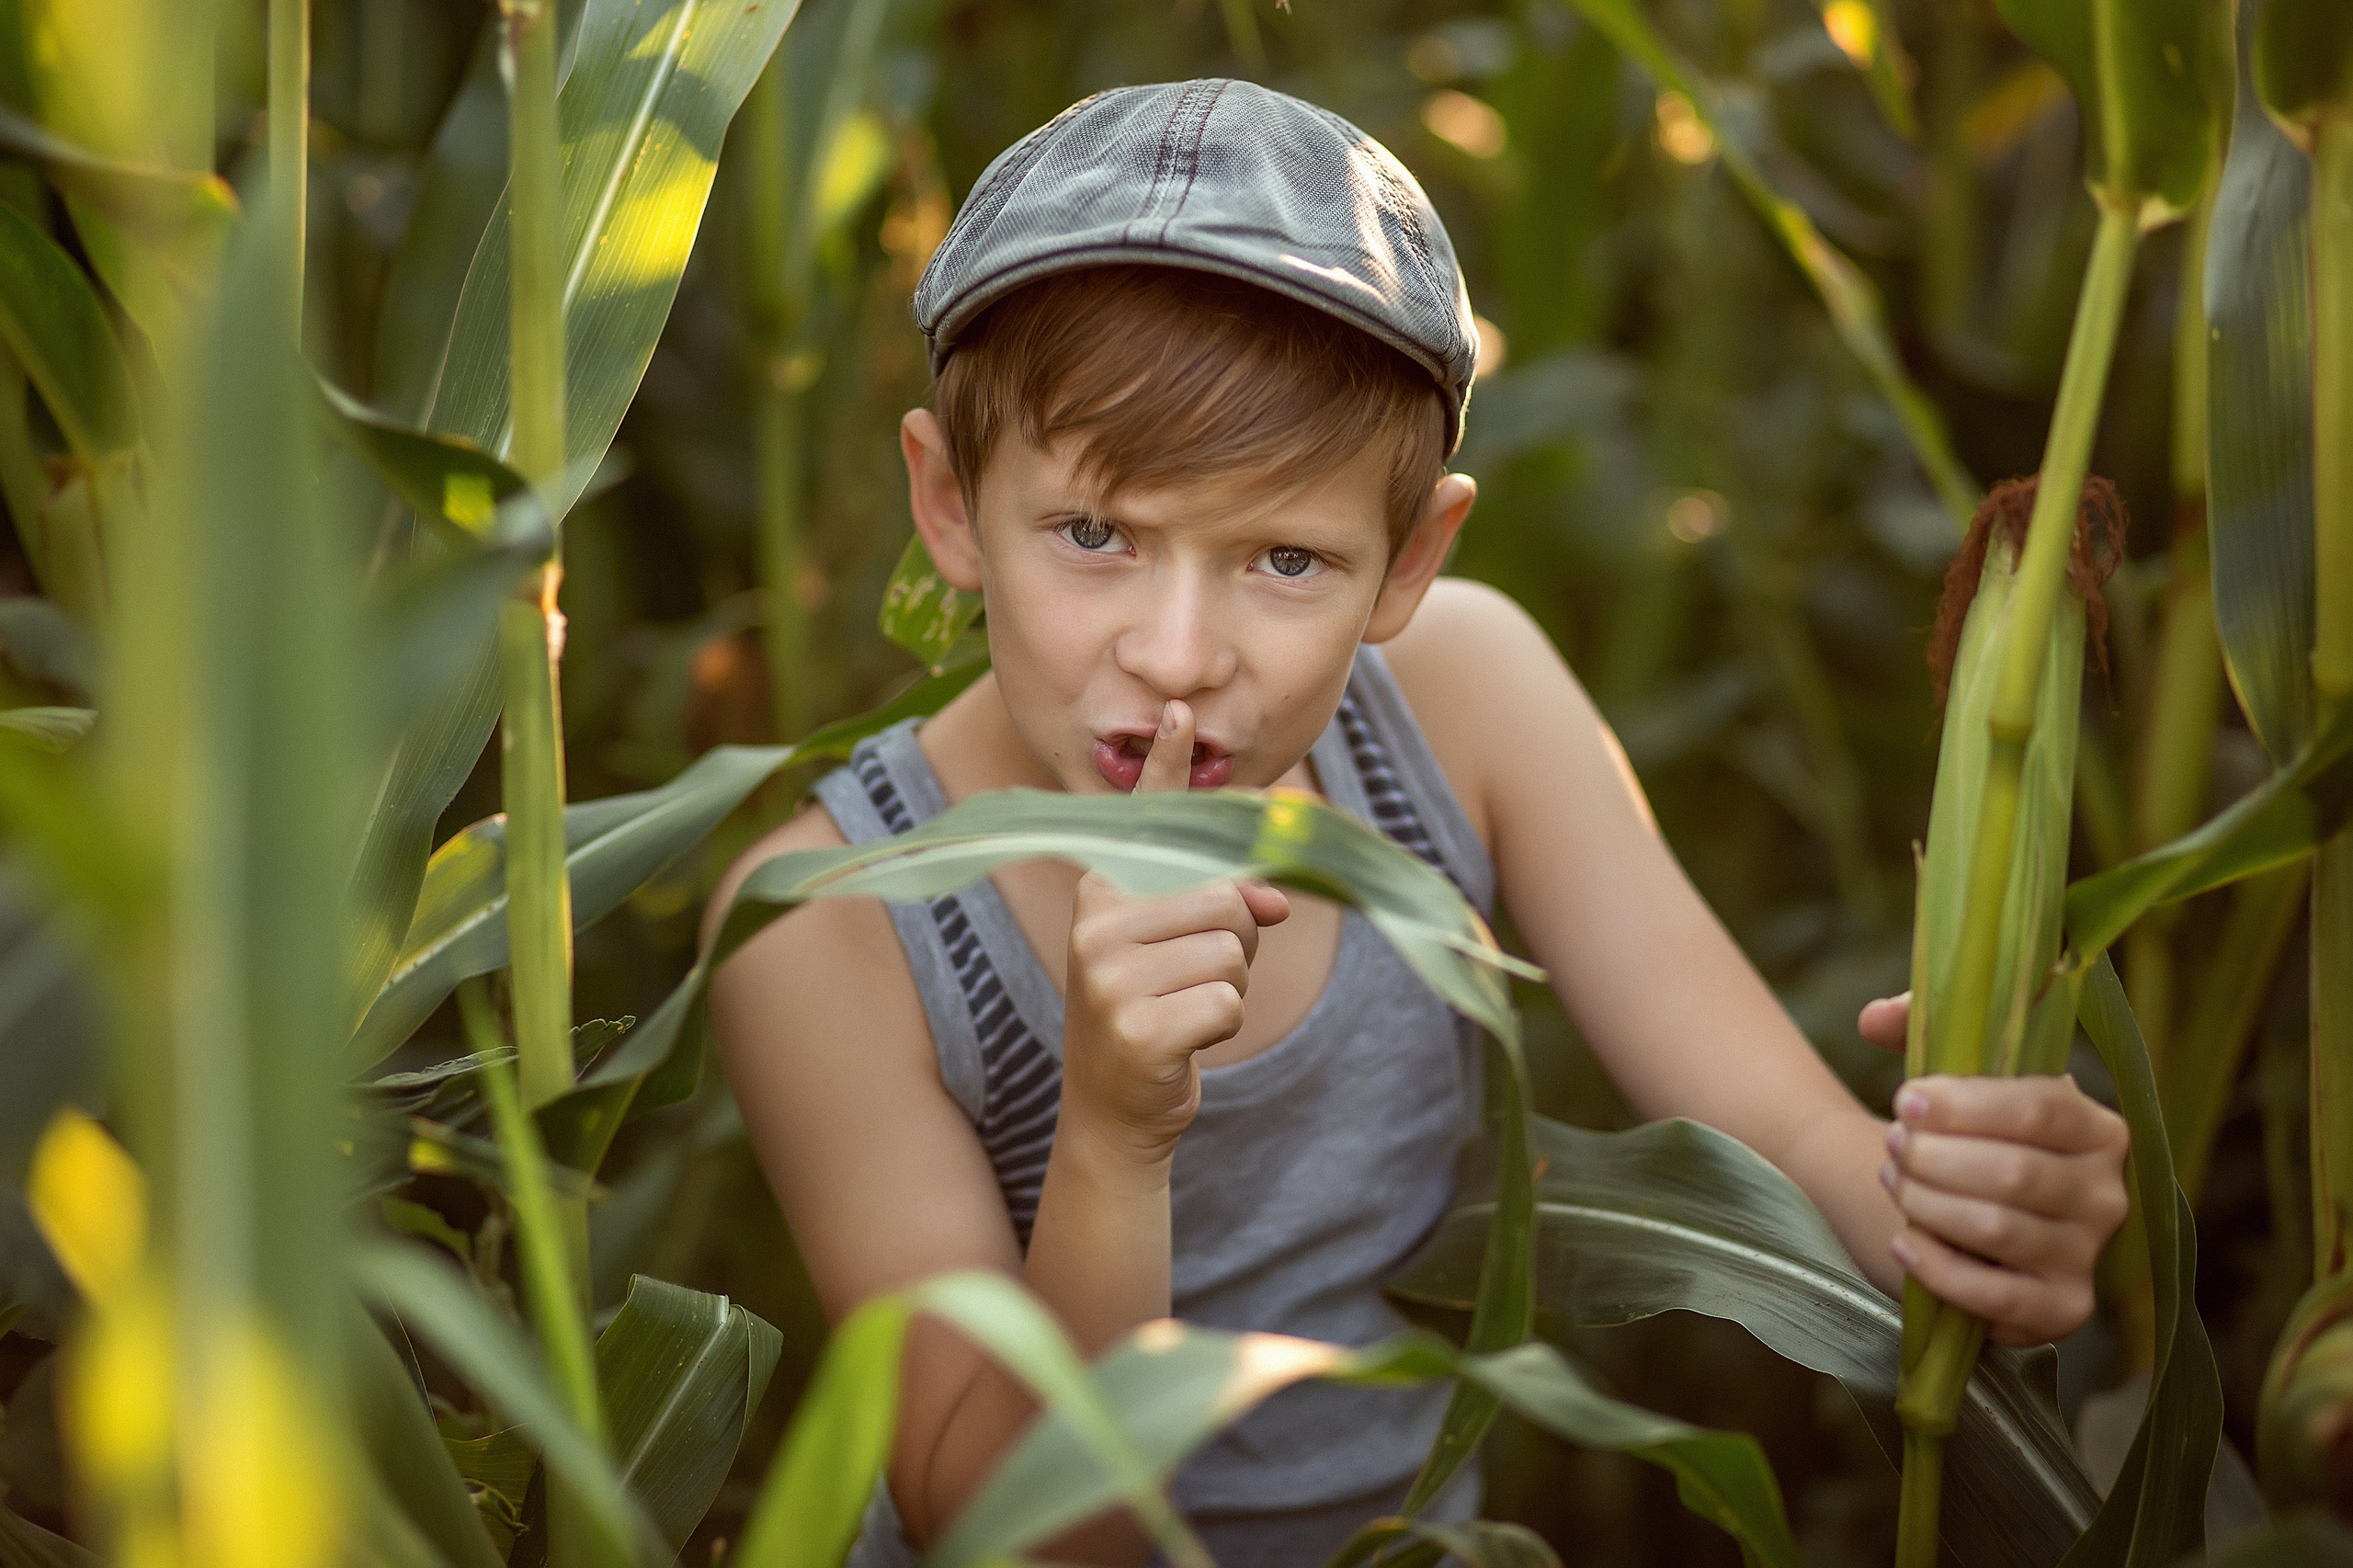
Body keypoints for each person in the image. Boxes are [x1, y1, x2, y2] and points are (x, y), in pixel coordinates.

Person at [706, 79, 2131, 1567]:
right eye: (1094, 533)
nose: (1179, 655)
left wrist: (1972, 1213)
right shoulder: (834, 919)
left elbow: (1785, 1143)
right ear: (949, 502)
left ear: (1411, 558)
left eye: (1286, 558)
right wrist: (1116, 1134)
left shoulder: (1458, 703)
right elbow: (1027, 1540)